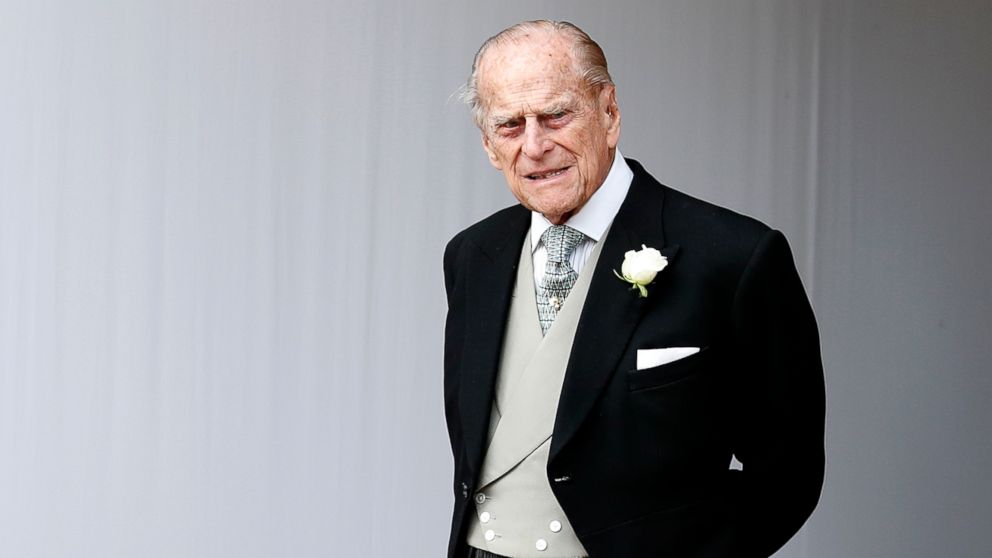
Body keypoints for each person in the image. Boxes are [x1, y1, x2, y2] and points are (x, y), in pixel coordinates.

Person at [442, 20, 824, 558]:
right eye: (509, 126)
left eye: (555, 115)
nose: (535, 146)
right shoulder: (470, 257)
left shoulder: (734, 257)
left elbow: (789, 473)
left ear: (609, 112)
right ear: (487, 144)